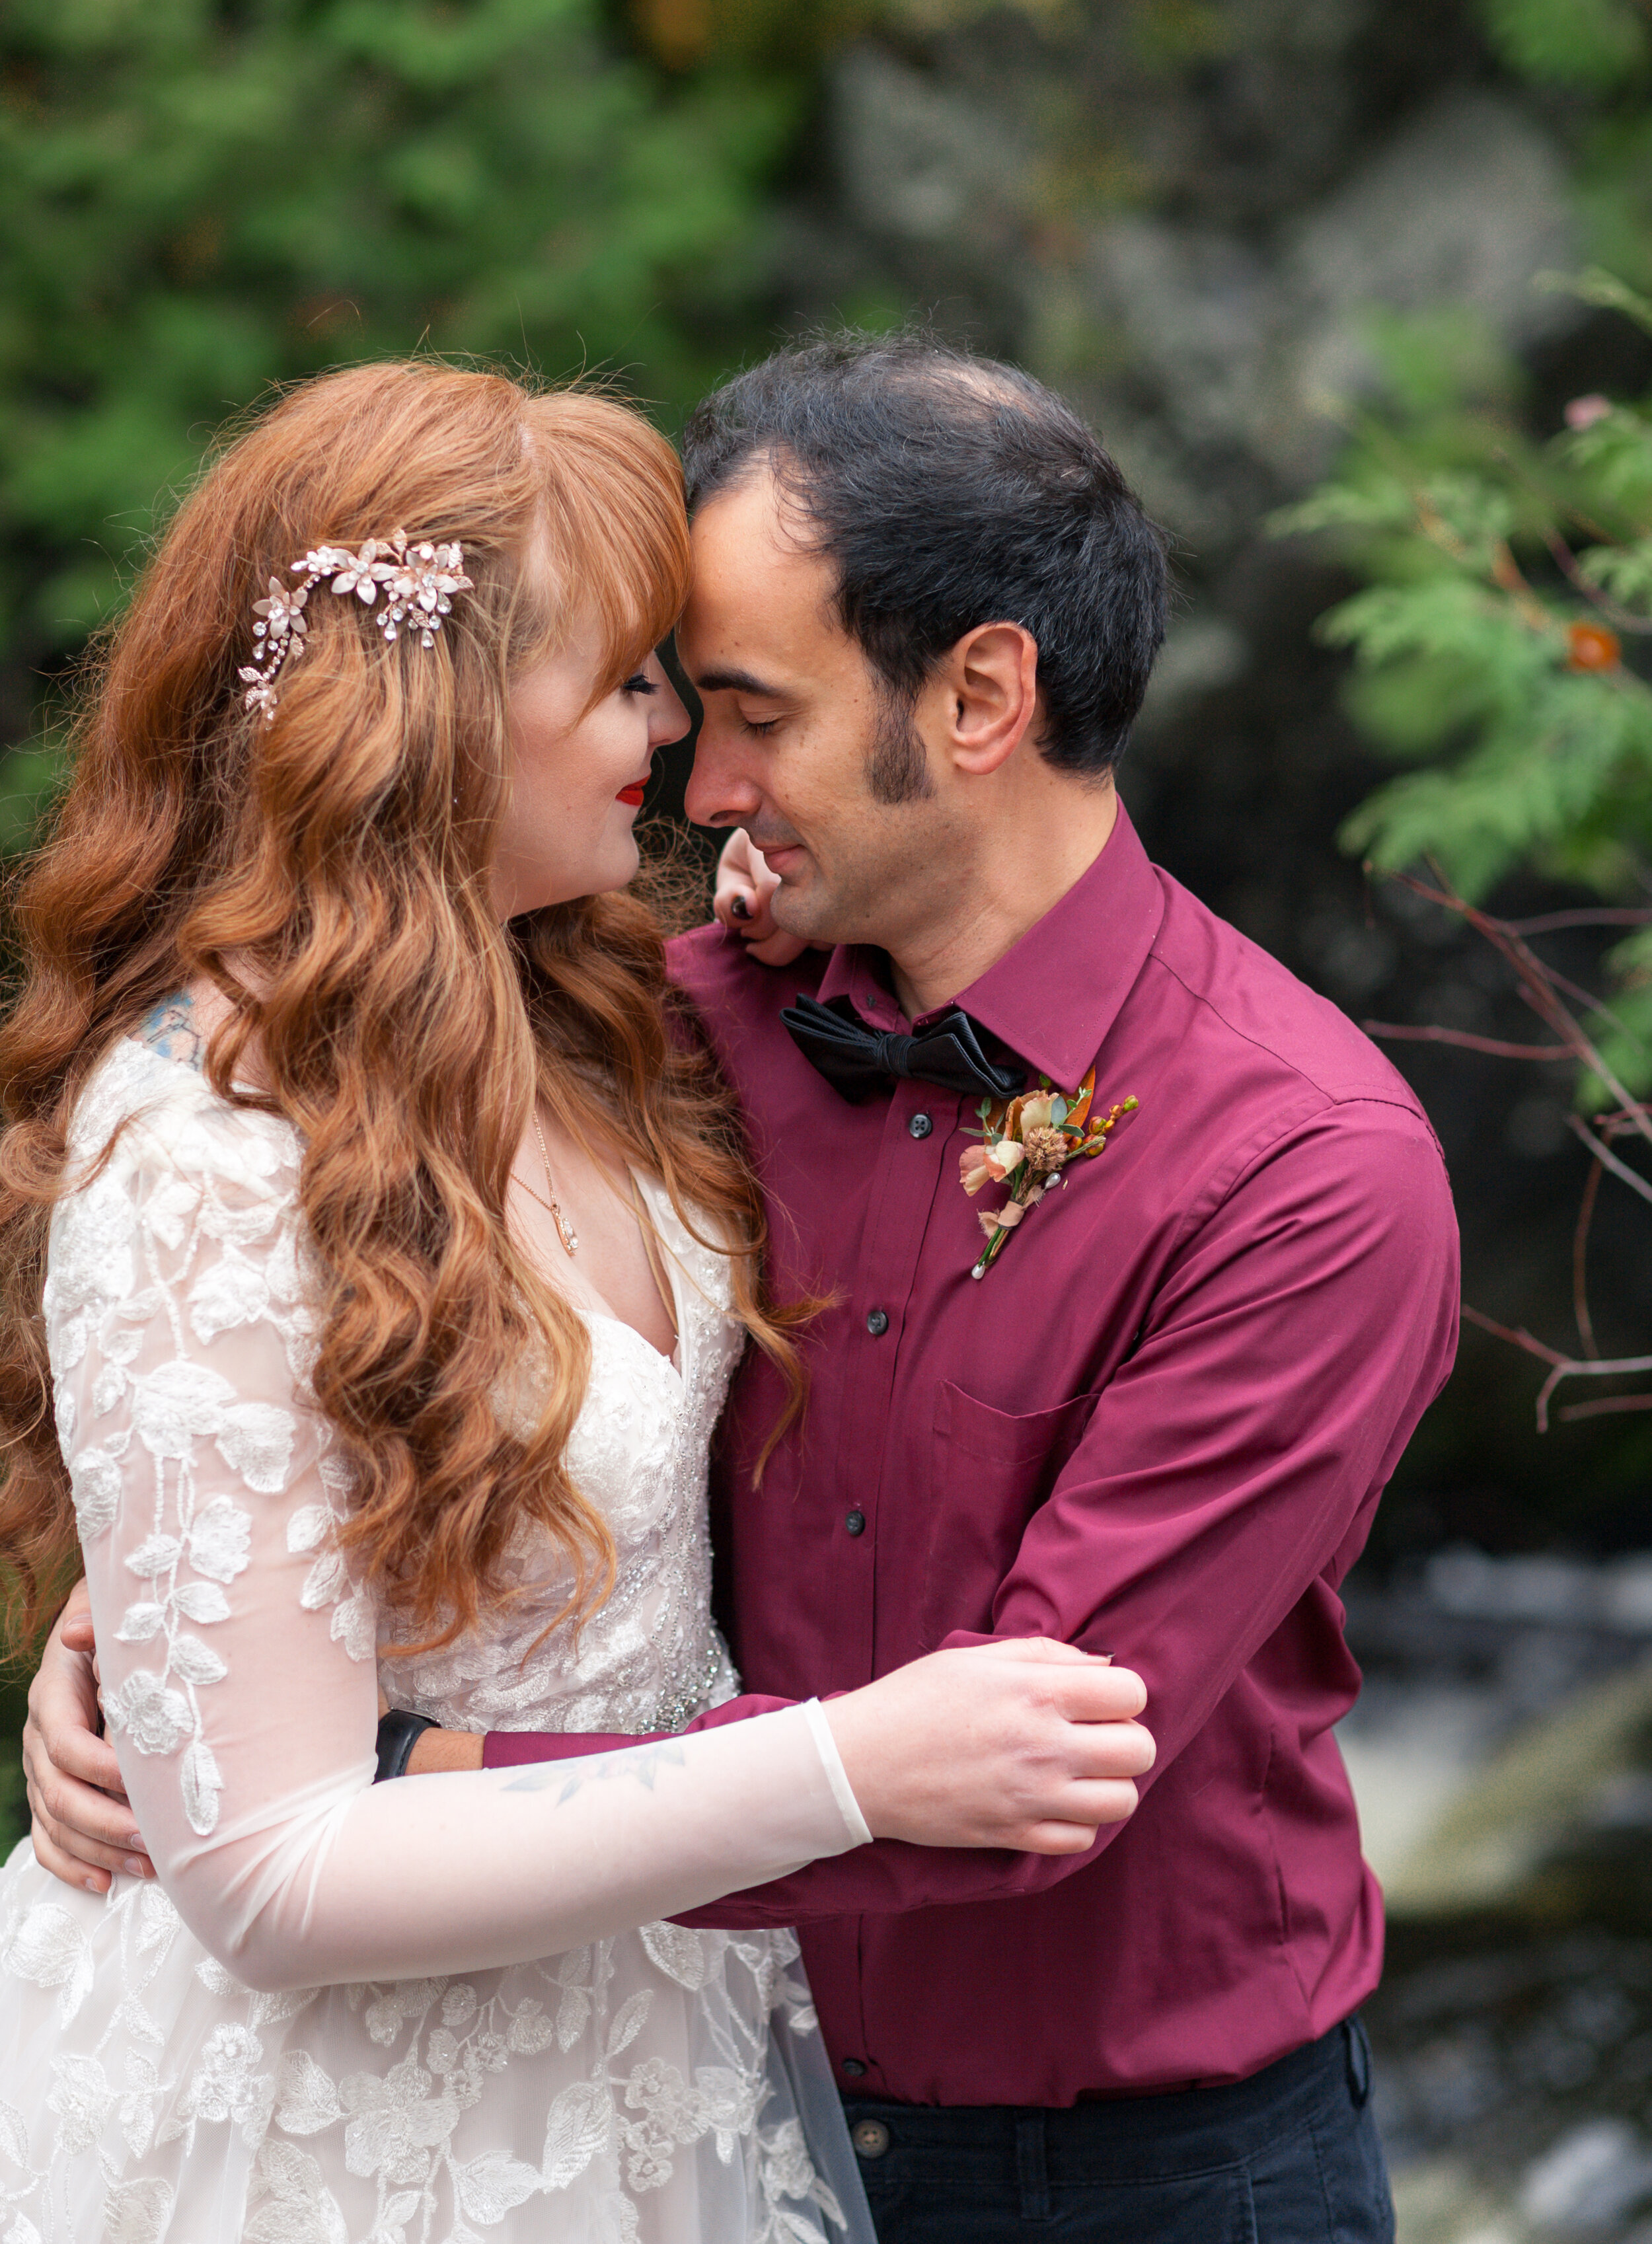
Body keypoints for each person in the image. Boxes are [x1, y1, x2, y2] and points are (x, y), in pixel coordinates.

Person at [27, 332, 1460, 2239]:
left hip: (1128, 2166)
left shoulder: (1299, 1175)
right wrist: (155, 1651)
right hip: (681, 2094)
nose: (696, 780)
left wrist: (393, 1772)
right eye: (656, 697)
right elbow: (332, 1389)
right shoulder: (650, 1025)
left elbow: (1009, 1781)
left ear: (977, 698)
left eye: (746, 712)